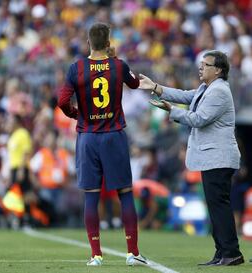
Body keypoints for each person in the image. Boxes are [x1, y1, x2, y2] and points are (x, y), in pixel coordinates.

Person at [139, 50, 244, 266]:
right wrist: (156, 88)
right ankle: (222, 252)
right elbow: (186, 95)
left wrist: (171, 111)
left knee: (219, 206)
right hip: (214, 158)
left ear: (219, 70)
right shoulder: (208, 88)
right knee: (216, 206)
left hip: (219, 157)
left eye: (206, 64)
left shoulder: (219, 92)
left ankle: (231, 253)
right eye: (201, 63)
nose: (201, 67)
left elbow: (198, 119)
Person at [58, 22, 148, 267]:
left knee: (91, 196)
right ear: (108, 43)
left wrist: (76, 114)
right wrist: (115, 58)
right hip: (114, 135)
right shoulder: (119, 66)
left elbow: (62, 100)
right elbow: (135, 84)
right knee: (125, 193)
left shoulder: (76, 68)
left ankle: (96, 255)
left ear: (88, 43)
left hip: (87, 137)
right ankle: (133, 252)